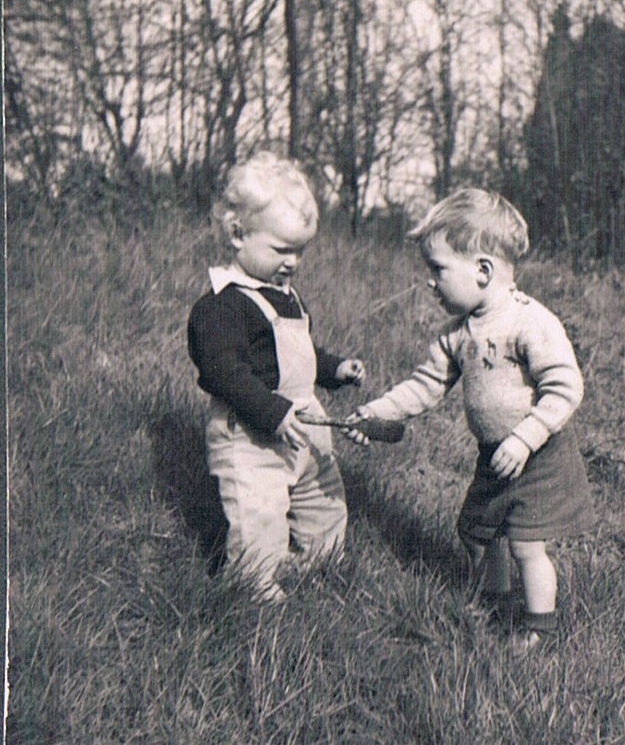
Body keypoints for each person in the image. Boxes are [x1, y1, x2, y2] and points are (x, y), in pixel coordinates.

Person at [345, 188, 595, 650]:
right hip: (494, 456)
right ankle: (495, 604)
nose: (430, 283)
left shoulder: (529, 322)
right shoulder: (457, 334)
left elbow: (565, 388)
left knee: (525, 543)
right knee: (477, 531)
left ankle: (538, 628)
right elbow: (424, 386)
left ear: (483, 270)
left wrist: (525, 438)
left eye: (438, 270)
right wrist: (376, 412)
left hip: (538, 453)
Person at [188, 152, 365, 601]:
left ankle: (319, 560)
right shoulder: (223, 305)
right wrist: (270, 411)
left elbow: (299, 353)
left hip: (303, 423)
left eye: (300, 250)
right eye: (281, 249)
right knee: (259, 511)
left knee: (322, 498)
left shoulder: (286, 295)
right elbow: (223, 372)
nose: (293, 262)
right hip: (251, 432)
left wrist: (334, 369)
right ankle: (253, 582)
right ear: (238, 234)